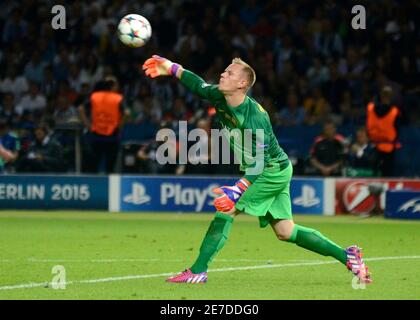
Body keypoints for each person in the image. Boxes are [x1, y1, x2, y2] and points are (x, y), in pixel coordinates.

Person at [142, 55, 371, 284]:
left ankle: (198, 270)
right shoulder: (219, 96)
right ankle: (347, 255)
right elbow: (197, 83)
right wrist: (171, 68)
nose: (223, 74)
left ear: (242, 84)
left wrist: (238, 188)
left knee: (227, 209)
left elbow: (260, 161)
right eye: (225, 71)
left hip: (269, 170)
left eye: (229, 73)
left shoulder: (255, 118)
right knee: (285, 231)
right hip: (273, 169)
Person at [78, 76, 128, 173]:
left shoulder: (94, 96)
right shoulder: (118, 98)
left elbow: (80, 109)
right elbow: (126, 113)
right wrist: (120, 126)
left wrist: (88, 125)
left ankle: (94, 186)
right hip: (112, 135)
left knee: (94, 165)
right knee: (110, 167)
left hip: (96, 135)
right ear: (112, 86)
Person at [366, 86, 401, 177]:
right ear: (391, 96)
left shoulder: (370, 108)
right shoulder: (395, 111)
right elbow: (397, 128)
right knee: (387, 174)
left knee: (373, 174)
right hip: (384, 148)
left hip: (374, 147)